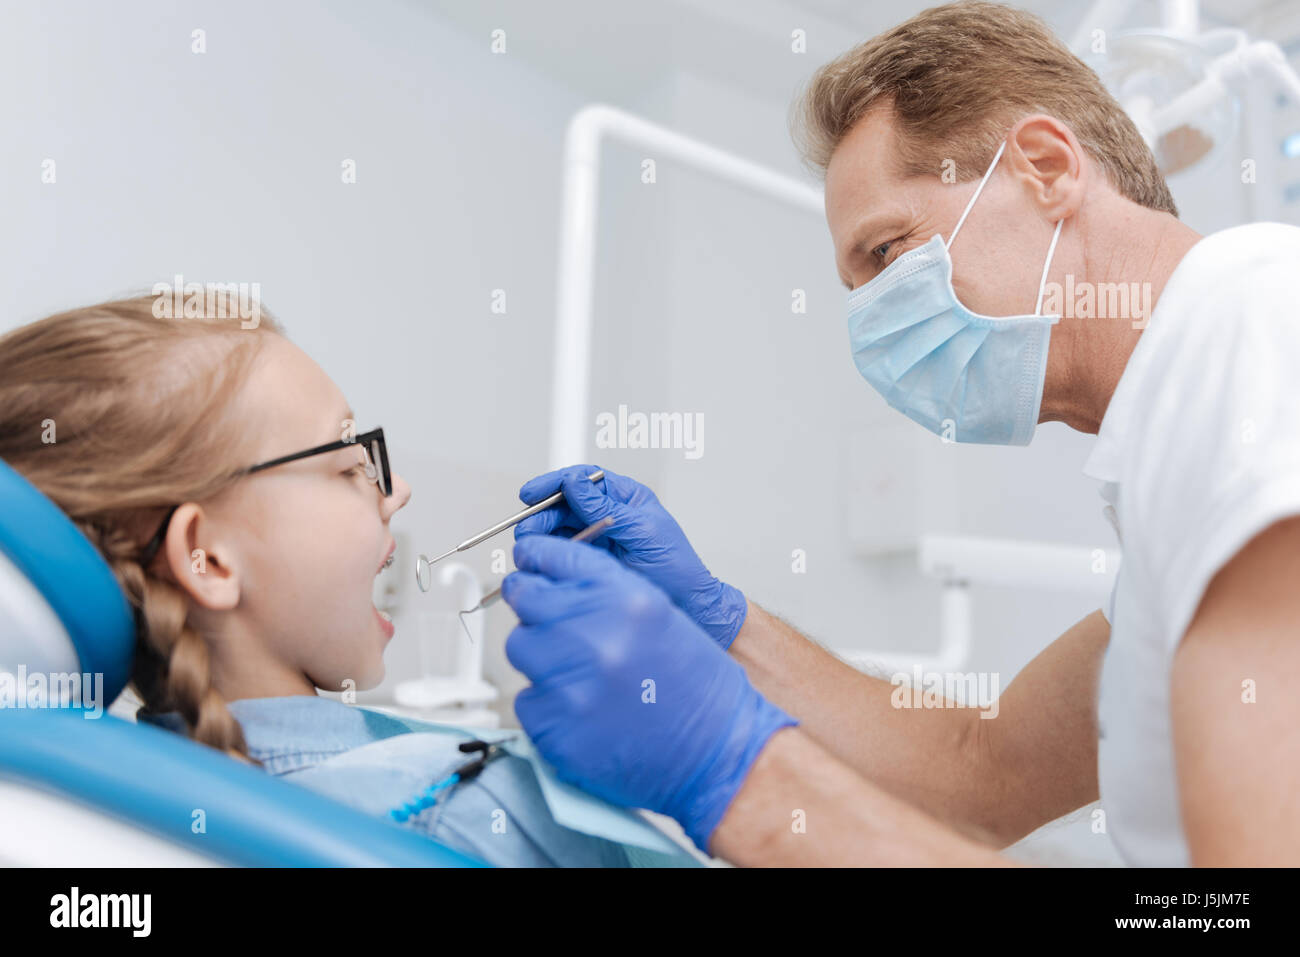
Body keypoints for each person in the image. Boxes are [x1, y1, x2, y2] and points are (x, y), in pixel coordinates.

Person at [497, 1, 1300, 866]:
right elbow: (979, 774)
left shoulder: (1252, 328)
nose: (877, 319)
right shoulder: (1177, 439)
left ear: (1044, 167)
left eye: (885, 253)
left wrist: (737, 779)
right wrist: (716, 621)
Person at [0, 292, 669, 867]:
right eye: (351, 462)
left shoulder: (127, 798)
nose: (395, 489)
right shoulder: (466, 808)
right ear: (208, 558)